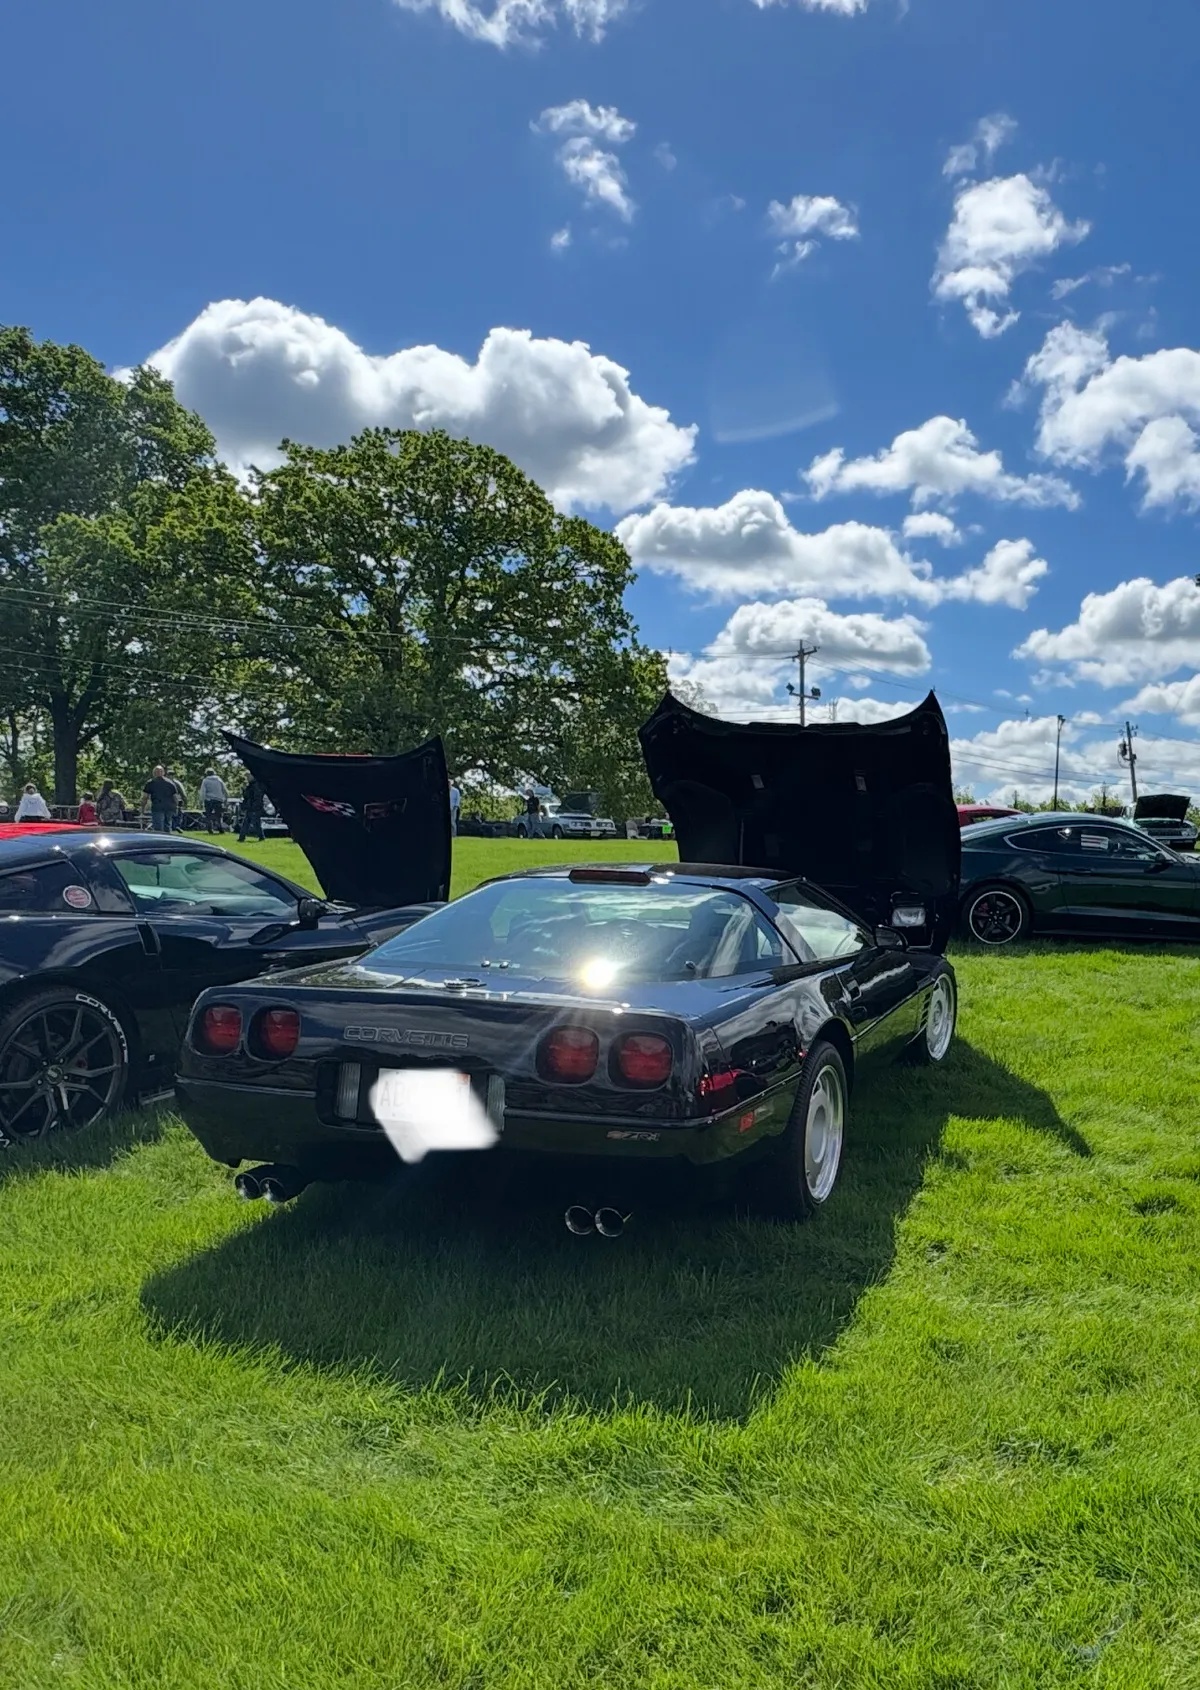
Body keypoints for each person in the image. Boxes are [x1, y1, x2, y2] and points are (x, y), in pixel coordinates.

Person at [143, 765, 177, 833]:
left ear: (154, 773)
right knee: (167, 826)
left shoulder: (150, 783)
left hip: (157, 807)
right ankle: (168, 840)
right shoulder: (170, 783)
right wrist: (176, 807)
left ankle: (160, 841)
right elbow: (175, 797)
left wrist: (142, 808)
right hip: (169, 807)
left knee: (158, 828)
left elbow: (145, 797)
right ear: (163, 773)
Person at [199, 768, 229, 833]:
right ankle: (220, 827)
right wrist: (226, 798)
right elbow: (224, 789)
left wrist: (202, 800)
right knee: (219, 815)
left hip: (209, 799)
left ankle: (210, 828)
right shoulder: (219, 780)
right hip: (218, 799)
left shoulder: (205, 781)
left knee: (208, 815)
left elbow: (203, 791)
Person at [238, 777, 265, 843]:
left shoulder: (256, 786)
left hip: (254, 807)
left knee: (255, 823)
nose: (247, 778)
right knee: (248, 822)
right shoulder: (251, 786)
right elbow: (247, 796)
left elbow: (257, 797)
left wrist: (254, 806)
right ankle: (242, 837)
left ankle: (261, 836)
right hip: (251, 807)